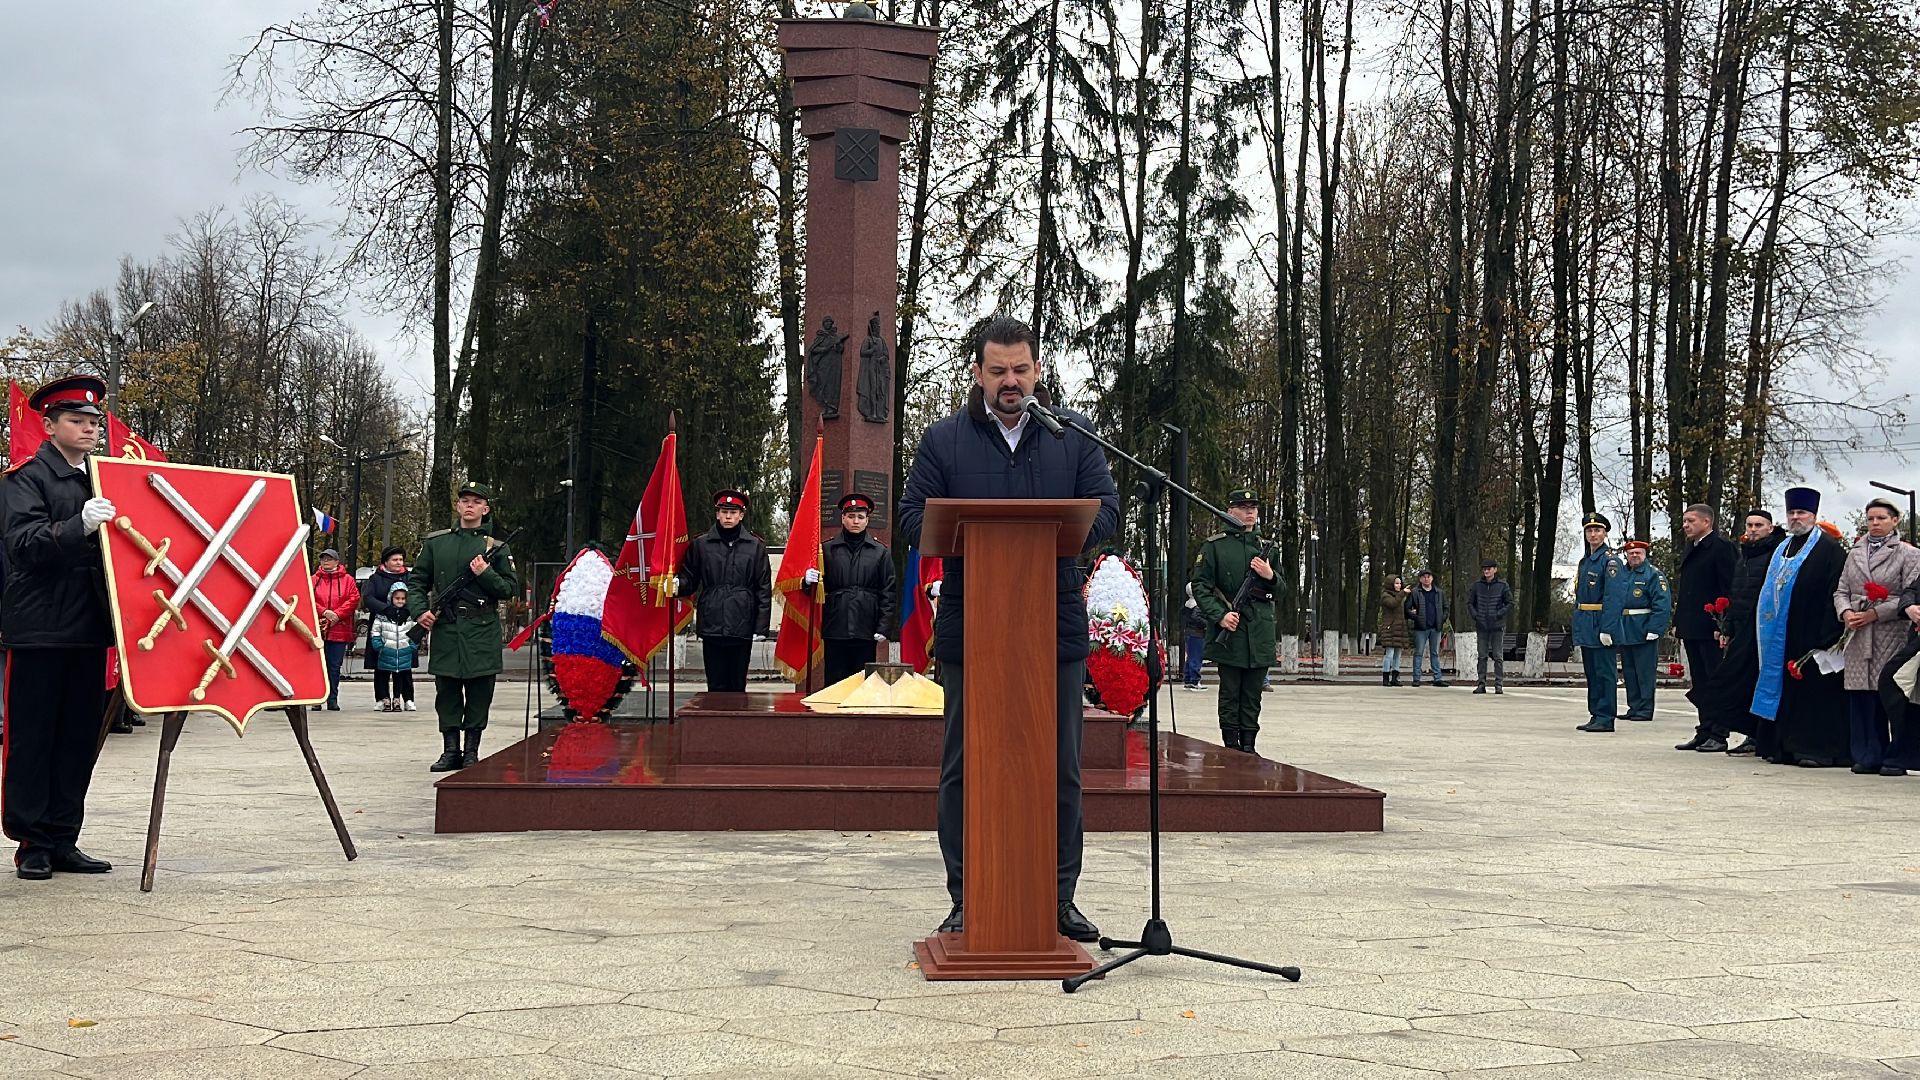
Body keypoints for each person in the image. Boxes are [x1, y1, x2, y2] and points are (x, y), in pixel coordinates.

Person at [898, 315, 1119, 944]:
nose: (1010, 381)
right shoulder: (945, 442)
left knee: (1062, 768)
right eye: (997, 371)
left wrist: (1057, 533)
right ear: (977, 374)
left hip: (1054, 628)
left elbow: (1106, 509)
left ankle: (1058, 898)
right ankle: (968, 897)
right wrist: (974, 531)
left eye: (1021, 369)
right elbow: (914, 517)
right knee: (964, 769)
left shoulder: (1071, 437)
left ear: (1038, 370)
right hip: (976, 630)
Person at [1, 374, 117, 880]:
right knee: (33, 739)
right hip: (40, 629)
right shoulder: (25, 478)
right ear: (49, 426)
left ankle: (65, 836)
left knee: (76, 740)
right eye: (77, 420)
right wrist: (80, 526)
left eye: (94, 421)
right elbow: (23, 545)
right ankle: (32, 842)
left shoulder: (103, 478)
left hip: (88, 629)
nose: (90, 429)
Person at [409, 481, 518, 772]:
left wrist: (485, 573)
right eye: (465, 500)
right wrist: (420, 612)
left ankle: (472, 751)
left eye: (476, 501)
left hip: (481, 628)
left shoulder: (495, 548)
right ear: (458, 506)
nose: (469, 505)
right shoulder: (437, 543)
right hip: (447, 626)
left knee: (480, 691)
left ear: (486, 508)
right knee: (447, 692)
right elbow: (417, 582)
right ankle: (450, 751)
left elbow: (508, 588)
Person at [1751, 486, 1849, 767]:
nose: (1795, 517)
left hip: (1814, 633)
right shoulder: (1782, 548)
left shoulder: (1829, 549)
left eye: (1801, 512)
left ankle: (1815, 750)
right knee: (1784, 691)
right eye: (1791, 512)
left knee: (1814, 695)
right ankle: (1783, 747)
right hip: (1781, 633)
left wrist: (1828, 633)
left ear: (1813, 515)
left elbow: (1836, 589)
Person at [1687, 510, 1785, 755]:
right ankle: (1718, 731)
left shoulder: (1776, 554)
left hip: (1762, 628)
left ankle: (1746, 735)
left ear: (1770, 528)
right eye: (1750, 524)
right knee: (1734, 681)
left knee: (1749, 681)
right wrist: (1727, 625)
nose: (1753, 529)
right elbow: (1734, 591)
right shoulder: (1745, 554)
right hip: (1740, 625)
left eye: (1759, 525)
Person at [1835, 498, 1920, 774]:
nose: (1875, 523)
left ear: (1895, 521)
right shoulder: (1855, 551)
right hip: (1857, 630)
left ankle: (1894, 756)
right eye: (1871, 518)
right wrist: (1846, 612)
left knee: (1889, 693)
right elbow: (1842, 590)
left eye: (1881, 518)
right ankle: (1866, 754)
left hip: (1889, 630)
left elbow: (1909, 594)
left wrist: (1876, 613)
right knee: (1860, 694)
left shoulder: (1908, 553)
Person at [1191, 488, 1278, 753]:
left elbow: (1282, 590)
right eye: (1243, 507)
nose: (1250, 512)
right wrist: (1220, 615)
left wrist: (1269, 574)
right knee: (1230, 693)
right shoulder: (1215, 546)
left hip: (1260, 630)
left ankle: (1249, 746)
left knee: (1253, 695)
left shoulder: (1265, 547)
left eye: (1253, 507)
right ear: (1230, 511)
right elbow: (1201, 586)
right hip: (1231, 629)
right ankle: (1231, 747)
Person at [670, 489, 771, 693]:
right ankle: (714, 725)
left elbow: (763, 588)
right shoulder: (701, 544)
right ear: (717, 514)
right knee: (715, 683)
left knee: (737, 684)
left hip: (742, 622)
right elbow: (690, 577)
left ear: (741, 515)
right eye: (724, 511)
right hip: (712, 621)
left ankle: (735, 723)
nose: (728, 516)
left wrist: (760, 627)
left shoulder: (755, 546)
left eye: (733, 512)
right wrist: (677, 584)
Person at [809, 492, 897, 686]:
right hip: (835, 625)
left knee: (861, 684)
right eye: (851, 516)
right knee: (834, 682)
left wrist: (884, 626)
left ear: (867, 520)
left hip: (866, 626)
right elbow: (816, 591)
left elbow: (888, 592)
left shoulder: (880, 552)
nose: (855, 521)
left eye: (860, 517)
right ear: (843, 518)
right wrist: (807, 582)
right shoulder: (827, 550)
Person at [1674, 504, 1739, 751]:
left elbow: (1728, 587)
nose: (1686, 525)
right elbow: (1688, 590)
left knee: (1715, 679)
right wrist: (1679, 622)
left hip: (1711, 626)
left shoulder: (1721, 549)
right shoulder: (1692, 548)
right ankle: (1704, 729)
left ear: (1706, 522)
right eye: (1684, 521)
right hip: (1693, 625)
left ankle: (1719, 732)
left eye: (1691, 521)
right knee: (1700, 681)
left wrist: (1724, 624)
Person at [1573, 512, 1622, 732]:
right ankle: (1596, 713)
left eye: (1598, 530)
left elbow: (1614, 597)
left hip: (1601, 622)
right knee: (1592, 672)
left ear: (1605, 533)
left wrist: (1608, 628)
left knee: (1604, 672)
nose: (1593, 534)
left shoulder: (1610, 562)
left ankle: (1606, 716)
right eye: (1589, 530)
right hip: (1586, 622)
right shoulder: (1586, 562)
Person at [1614, 540, 1672, 721]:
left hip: (1643, 628)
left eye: (1638, 553)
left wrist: (1655, 628)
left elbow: (1662, 604)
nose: (1634, 556)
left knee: (1645, 672)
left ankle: (1645, 709)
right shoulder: (1621, 574)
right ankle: (1634, 707)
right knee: (1629, 671)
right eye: (1631, 553)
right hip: (1625, 628)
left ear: (1645, 554)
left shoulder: (1653, 575)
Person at [312, 547, 359, 711]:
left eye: (329, 558)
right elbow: (307, 597)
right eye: (323, 558)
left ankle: (332, 698)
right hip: (317, 628)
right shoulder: (313, 580)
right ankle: (317, 698)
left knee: (334, 666)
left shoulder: (348, 580)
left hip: (340, 629)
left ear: (337, 561)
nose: (325, 561)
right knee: (318, 666)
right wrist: (324, 612)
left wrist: (337, 615)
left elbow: (354, 599)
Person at [367, 582, 419, 710]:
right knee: (383, 676)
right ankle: (384, 699)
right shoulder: (382, 615)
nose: (400, 601)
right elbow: (375, 631)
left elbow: (416, 631)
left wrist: (412, 646)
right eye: (397, 598)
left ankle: (402, 699)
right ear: (391, 598)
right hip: (386, 650)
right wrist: (379, 646)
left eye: (403, 598)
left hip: (403, 650)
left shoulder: (410, 615)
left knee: (402, 676)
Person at [360, 545, 409, 679]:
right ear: (386, 562)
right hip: (380, 624)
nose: (399, 562)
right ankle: (383, 697)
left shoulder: (408, 578)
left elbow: (416, 596)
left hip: (403, 623)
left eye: (401, 559)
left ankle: (404, 697)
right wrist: (386, 609)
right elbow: (368, 598)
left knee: (404, 663)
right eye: (395, 560)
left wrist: (406, 610)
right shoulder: (375, 578)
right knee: (380, 662)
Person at [1469, 560, 1512, 694]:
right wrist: (1476, 616)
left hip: (1497, 626)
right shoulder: (1476, 585)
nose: (1486, 571)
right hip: (1481, 625)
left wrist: (1498, 614)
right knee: (1482, 656)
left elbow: (1510, 603)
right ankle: (1481, 684)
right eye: (1484, 569)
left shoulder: (1502, 585)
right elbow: (1470, 603)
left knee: (1498, 656)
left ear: (1495, 570)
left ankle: (1498, 684)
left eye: (1489, 569)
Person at [1406, 569, 1447, 687]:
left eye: (1429, 576)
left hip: (1436, 627)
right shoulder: (1415, 592)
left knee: (1435, 653)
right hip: (1421, 628)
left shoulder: (1439, 592)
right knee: (1418, 653)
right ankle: (1416, 678)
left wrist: (1442, 619)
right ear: (1420, 579)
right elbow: (1407, 609)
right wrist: (1416, 617)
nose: (1426, 579)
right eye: (1424, 577)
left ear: (1432, 578)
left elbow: (1446, 608)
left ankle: (1437, 678)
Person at [1378, 576, 1410, 687]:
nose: (1399, 585)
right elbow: (1393, 604)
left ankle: (1395, 678)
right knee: (1389, 654)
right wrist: (1402, 593)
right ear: (1390, 584)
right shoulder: (1385, 596)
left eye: (1400, 583)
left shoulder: (1400, 597)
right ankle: (1385, 678)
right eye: (1396, 583)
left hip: (1399, 628)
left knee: (1398, 654)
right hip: (1390, 629)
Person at [1180, 583, 1207, 689]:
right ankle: (1194, 680)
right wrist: (1207, 624)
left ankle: (1188, 678)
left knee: (1191, 657)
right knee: (1196, 657)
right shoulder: (1198, 605)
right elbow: (1197, 618)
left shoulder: (1187, 604)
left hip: (1189, 633)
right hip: (1197, 633)